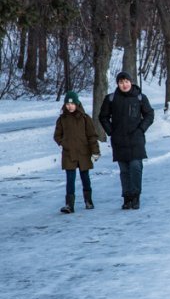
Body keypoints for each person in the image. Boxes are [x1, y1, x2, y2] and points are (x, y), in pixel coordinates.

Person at [98, 71, 154, 210]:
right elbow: (103, 116)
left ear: (131, 82)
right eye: (121, 82)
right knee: (124, 170)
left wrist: (141, 129)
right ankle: (127, 197)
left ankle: (136, 196)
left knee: (135, 167)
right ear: (118, 84)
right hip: (119, 140)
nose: (124, 84)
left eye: (126, 81)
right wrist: (111, 131)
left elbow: (149, 114)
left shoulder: (140, 97)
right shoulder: (111, 98)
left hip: (136, 139)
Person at [53, 91, 100, 214]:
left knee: (85, 177)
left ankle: (88, 200)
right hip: (69, 154)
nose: (70, 106)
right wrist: (64, 143)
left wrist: (95, 151)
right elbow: (57, 135)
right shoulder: (62, 119)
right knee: (70, 178)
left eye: (73, 104)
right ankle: (69, 204)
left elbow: (92, 136)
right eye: (68, 104)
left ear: (77, 104)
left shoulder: (85, 118)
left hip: (84, 153)